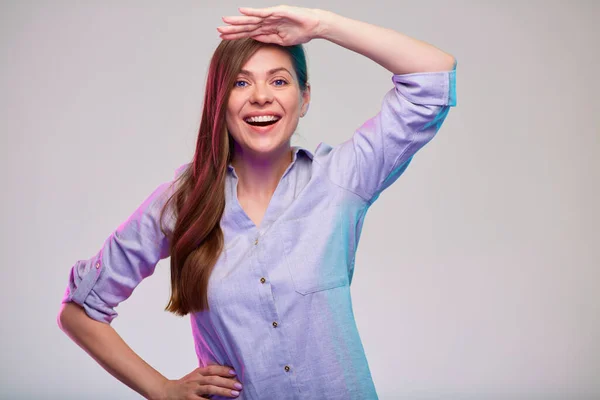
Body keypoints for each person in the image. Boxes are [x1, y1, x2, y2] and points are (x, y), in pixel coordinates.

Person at [57, 5, 456, 400]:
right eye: (241, 83)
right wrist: (162, 390)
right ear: (220, 102)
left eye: (279, 82)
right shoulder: (182, 203)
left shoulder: (341, 179)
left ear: (304, 99)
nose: (261, 97)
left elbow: (433, 74)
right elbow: (79, 311)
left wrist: (320, 25)